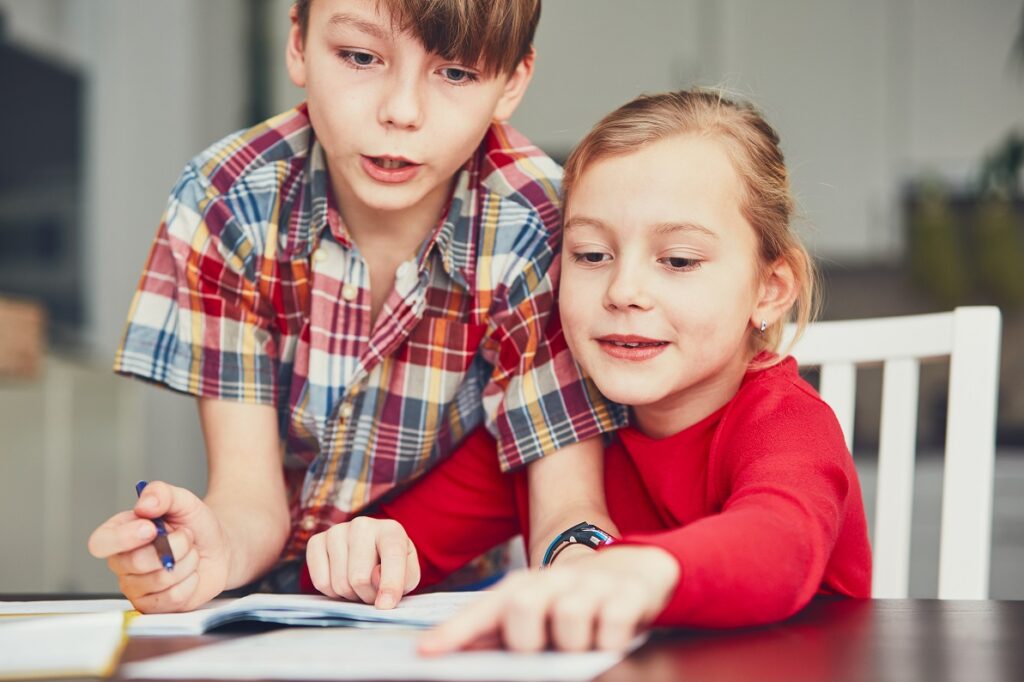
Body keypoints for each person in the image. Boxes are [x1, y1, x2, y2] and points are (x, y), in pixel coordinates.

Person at [86, 0, 628, 614]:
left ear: (511, 83)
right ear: (299, 45)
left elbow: (565, 501)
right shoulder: (230, 200)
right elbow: (249, 498)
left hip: (453, 601)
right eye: (360, 57)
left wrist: (582, 570)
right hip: (276, 606)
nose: (400, 112)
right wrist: (210, 553)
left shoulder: (542, 229)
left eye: (455, 73)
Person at [302, 90, 873, 651]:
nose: (623, 291)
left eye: (678, 260)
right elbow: (395, 552)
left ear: (770, 291)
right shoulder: (553, 430)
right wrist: (366, 551)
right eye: (592, 255)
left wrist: (633, 575)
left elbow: (784, 543)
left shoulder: (785, 423)